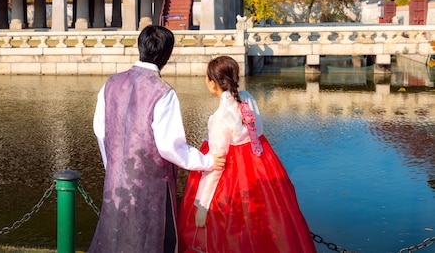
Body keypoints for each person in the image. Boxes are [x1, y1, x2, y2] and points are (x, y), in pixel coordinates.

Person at [88, 25, 226, 253]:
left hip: (116, 179)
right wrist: (206, 161)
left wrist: (112, 166)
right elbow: (170, 146)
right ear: (167, 54)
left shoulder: (109, 84)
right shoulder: (162, 92)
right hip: (151, 184)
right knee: (151, 241)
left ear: (140, 47)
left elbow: (100, 132)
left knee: (113, 238)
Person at [177, 55, 317, 253]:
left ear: (213, 83)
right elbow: (256, 131)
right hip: (261, 164)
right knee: (270, 219)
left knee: (234, 225)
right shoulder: (248, 99)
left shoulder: (220, 117)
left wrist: (202, 204)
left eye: (207, 79)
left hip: (233, 176)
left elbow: (216, 164)